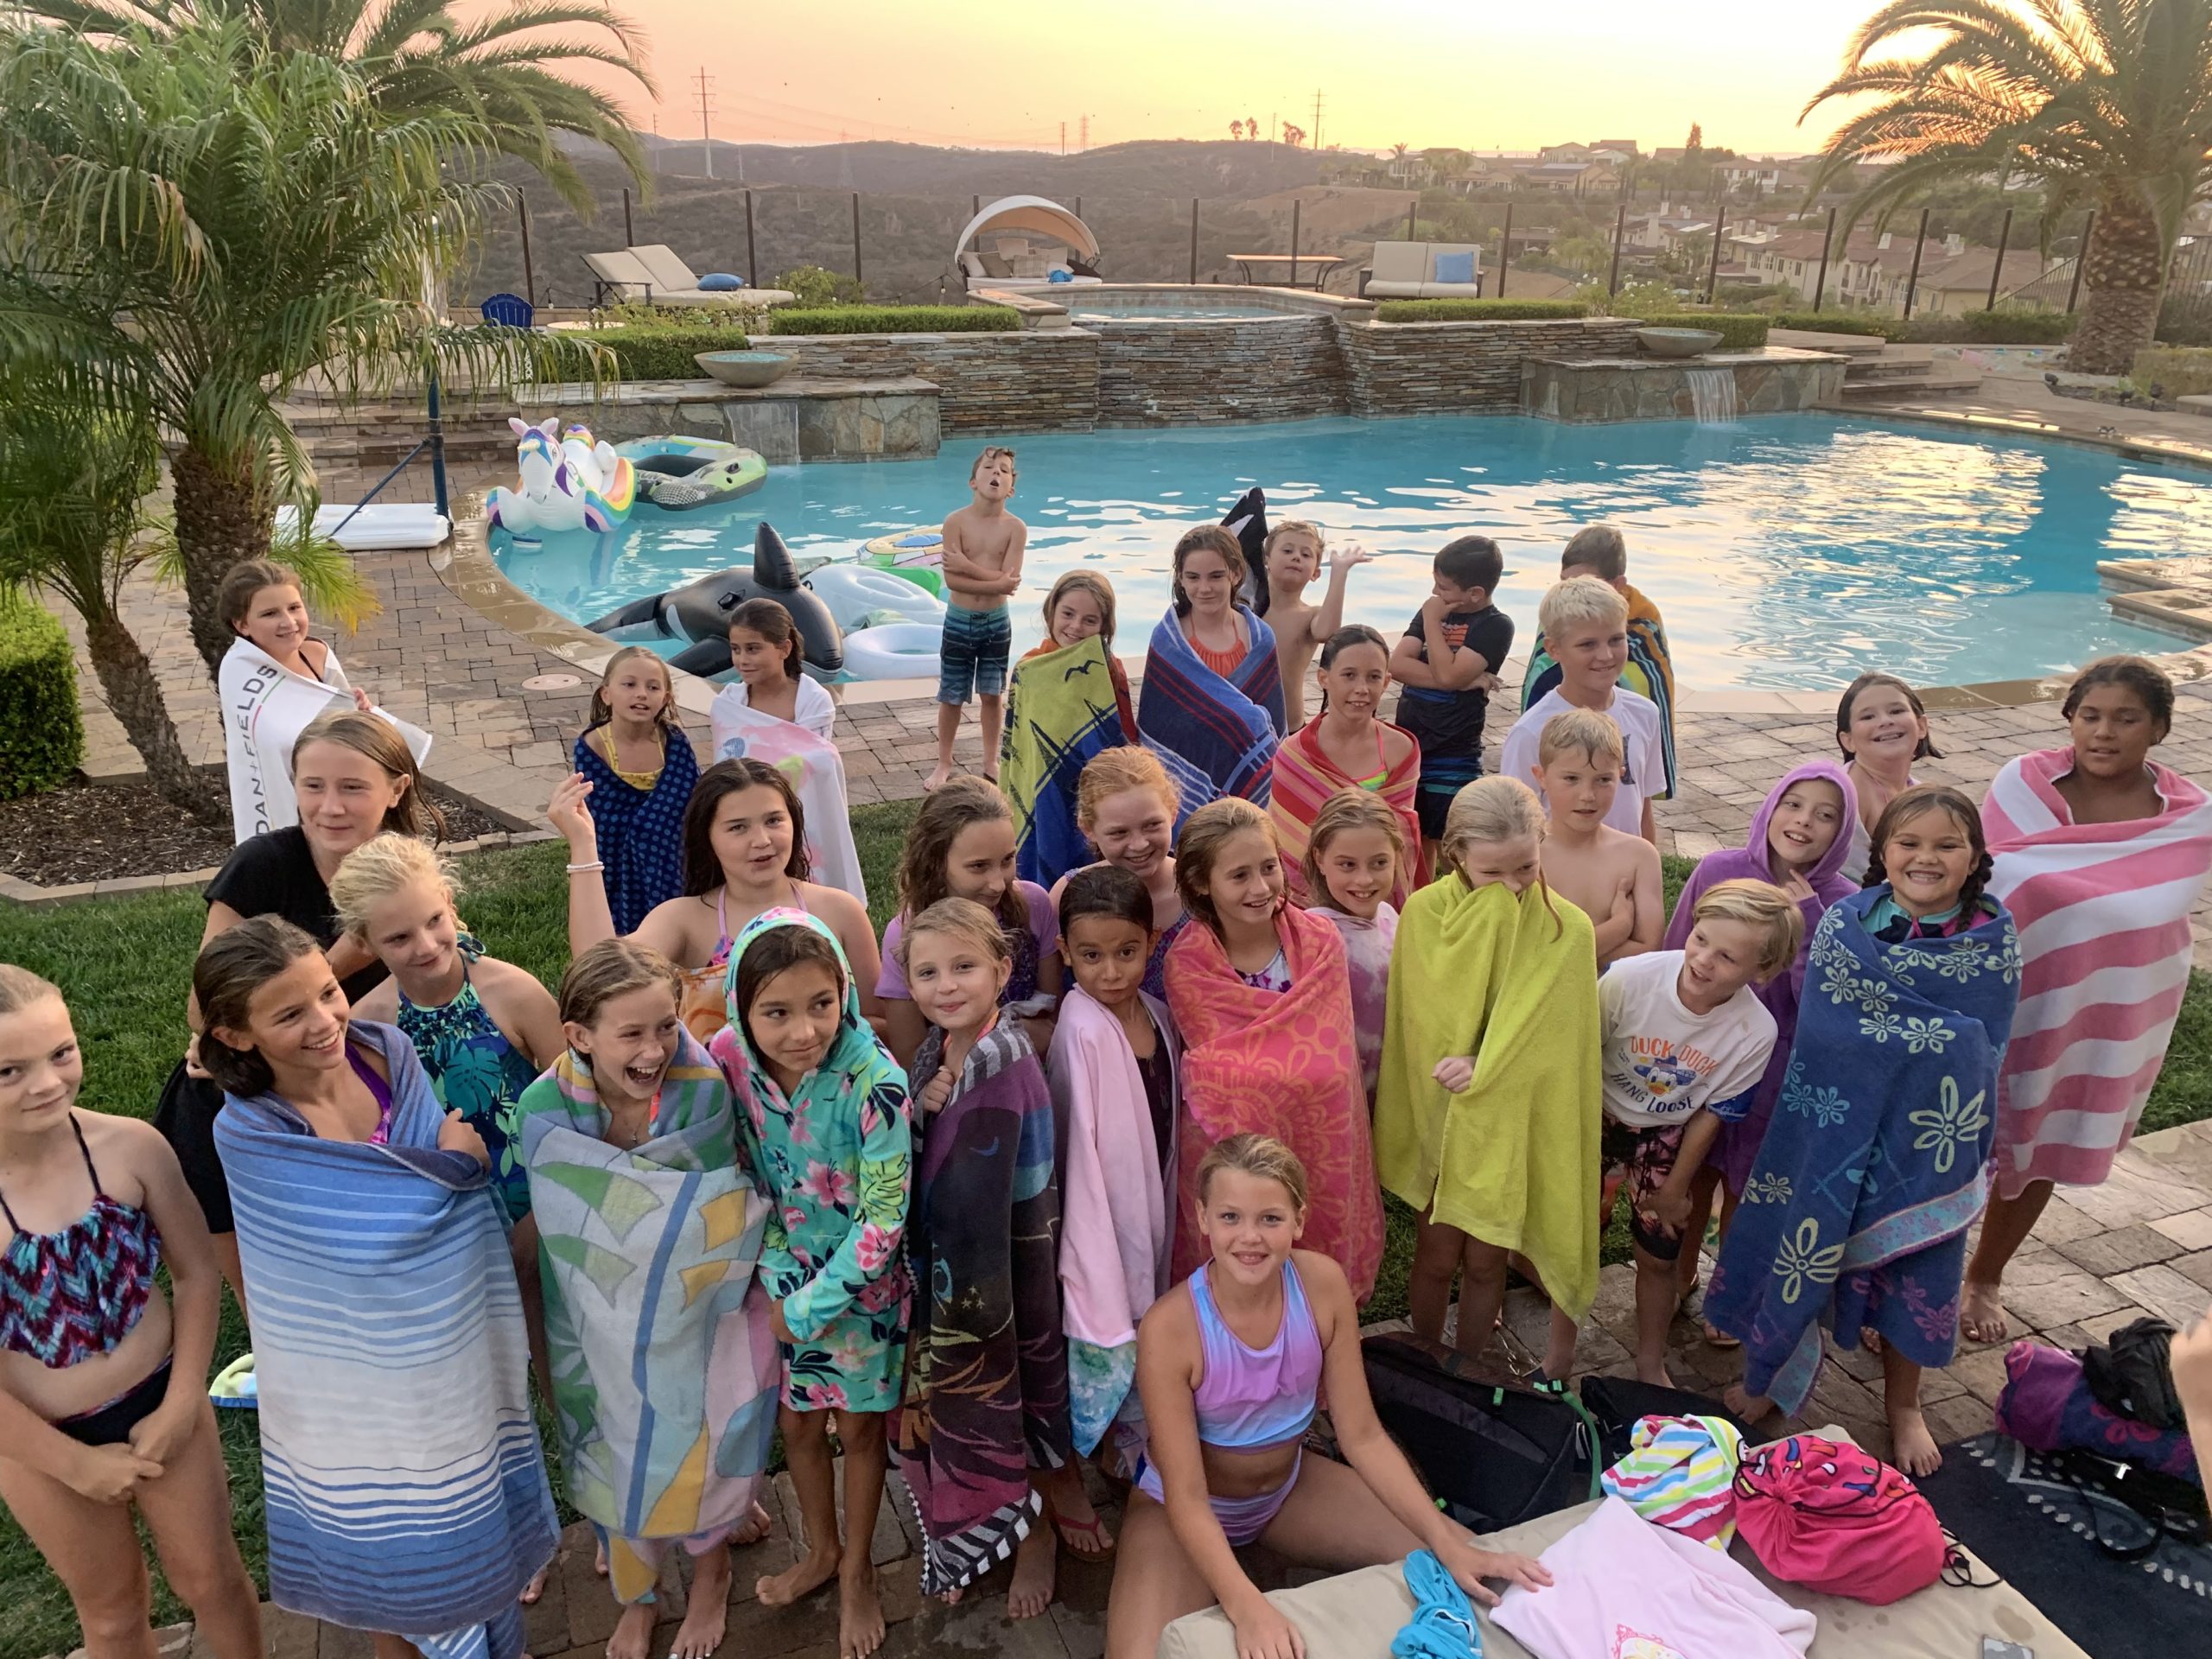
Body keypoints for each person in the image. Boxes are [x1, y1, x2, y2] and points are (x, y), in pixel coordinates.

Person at [200, 918, 558, 1659]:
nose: (324, 1021)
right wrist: (458, 1166)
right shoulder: (250, 1132)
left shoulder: (388, 1053)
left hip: (448, 1354)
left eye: (327, 993)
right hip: (351, 1383)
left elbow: (438, 1213)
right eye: (289, 1014)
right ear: (236, 1036)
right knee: (389, 1557)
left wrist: (447, 1178)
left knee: (469, 1517)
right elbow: (362, 1239)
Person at [1103, 1135, 1551, 1659]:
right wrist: (1247, 1606)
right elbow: (1187, 1497)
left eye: (1270, 1218)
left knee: (1475, 1568)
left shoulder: (1321, 1286)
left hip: (1288, 1490)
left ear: (1298, 1220)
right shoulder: (1170, 1328)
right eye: (1230, 1217)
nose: (1249, 1237)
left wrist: (1447, 1541)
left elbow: (1362, 1436)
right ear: (1203, 1217)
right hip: (1180, 1509)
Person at [1709, 786, 2020, 1477]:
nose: (1926, 858)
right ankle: (1770, 1375)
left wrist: (1913, 1046)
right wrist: (1913, 1042)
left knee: (1920, 1270)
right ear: (1882, 852)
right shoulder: (1846, 926)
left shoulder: (1990, 940)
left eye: (1947, 845)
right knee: (1803, 1240)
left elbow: (1979, 1045)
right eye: (1909, 843)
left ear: (1975, 858)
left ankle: (1905, 1404)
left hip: (1927, 1139)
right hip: (1833, 1124)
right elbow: (1827, 1030)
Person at [512, 941, 779, 1659]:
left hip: (701, 1314)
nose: (656, 1049)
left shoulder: (704, 1091)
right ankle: (639, 1597)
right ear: (579, 1036)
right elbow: (570, 1228)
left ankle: (712, 1576)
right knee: (615, 1450)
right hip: (594, 1321)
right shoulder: (542, 1111)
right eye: (631, 1033)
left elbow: (718, 1213)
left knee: (703, 1437)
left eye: (666, 1025)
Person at [0, 966, 262, 1659]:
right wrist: (71, 1464)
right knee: (112, 1612)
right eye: (9, 1071)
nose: (47, 1083)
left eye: (60, 1053)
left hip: (162, 1400)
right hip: (37, 1440)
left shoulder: (131, 1148)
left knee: (212, 1580)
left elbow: (195, 1275)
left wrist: (182, 1402)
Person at [155, 709, 445, 1312]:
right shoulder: (263, 865)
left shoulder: (403, 872)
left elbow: (442, 973)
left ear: (397, 790)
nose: (330, 807)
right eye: (313, 786)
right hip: (248, 1084)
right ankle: (266, 1329)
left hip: (364, 1078)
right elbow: (204, 1011)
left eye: (352, 787)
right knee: (258, 1279)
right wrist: (339, 962)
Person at [1963, 658, 2212, 1345]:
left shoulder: (2188, 818)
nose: (2104, 732)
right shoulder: (2022, 785)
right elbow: (1989, 880)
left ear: (2158, 729)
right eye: (2090, 716)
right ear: (2069, 720)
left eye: (2126, 719)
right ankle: (1909, 1276)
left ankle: (1984, 1275)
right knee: (1947, 1132)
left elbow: (2157, 906)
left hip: (2109, 1004)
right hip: (2002, 990)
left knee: (2045, 1134)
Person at [712, 910, 912, 1659]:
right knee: (797, 1426)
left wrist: (813, 1303)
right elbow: (739, 1168)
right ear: (742, 1008)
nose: (804, 1031)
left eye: (821, 1004)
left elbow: (884, 1215)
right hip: (779, 1284)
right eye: (777, 1012)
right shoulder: (729, 1060)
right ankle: (821, 1552)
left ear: (845, 991)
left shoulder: (875, 1082)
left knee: (858, 1430)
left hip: (862, 1291)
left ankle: (859, 1569)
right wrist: (778, 1279)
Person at [893, 898, 1083, 1616]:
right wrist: (922, 1108)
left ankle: (1033, 1533)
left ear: (1002, 971)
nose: (946, 986)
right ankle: (976, 1528)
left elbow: (1010, 1179)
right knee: (963, 1403)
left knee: (1009, 1392)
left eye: (964, 967)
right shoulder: (932, 1055)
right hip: (950, 1276)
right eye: (928, 972)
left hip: (1004, 1272)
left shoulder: (1006, 1062)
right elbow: (917, 1157)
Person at [1374, 778, 1599, 1382]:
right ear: (1455, 856)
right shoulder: (1426, 914)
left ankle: (1468, 1369)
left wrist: (1489, 1064)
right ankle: (1426, 1360)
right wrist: (1458, 1062)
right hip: (1442, 1118)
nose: (1512, 887)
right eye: (1492, 872)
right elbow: (1418, 1024)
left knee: (1485, 1262)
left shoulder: (1568, 930)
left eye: (1525, 867)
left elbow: (1560, 1042)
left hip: (1510, 1122)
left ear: (1542, 844)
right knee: (1436, 1254)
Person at [329, 834, 562, 1405]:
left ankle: (560, 1409)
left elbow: (579, 1106)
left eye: (435, 920)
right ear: (364, 943)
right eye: (399, 938)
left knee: (549, 1324)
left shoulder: (511, 993)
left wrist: (542, 1215)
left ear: (450, 905)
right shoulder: (371, 1026)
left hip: (541, 1195)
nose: (427, 944)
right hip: (442, 1208)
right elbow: (370, 1139)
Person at [1663, 761, 1858, 1341]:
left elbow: (1829, 1003)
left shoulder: (1843, 904)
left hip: (1779, 1075)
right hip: (1705, 1056)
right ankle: (1677, 1275)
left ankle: (1731, 1296)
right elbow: (1677, 951)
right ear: (1771, 807)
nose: (1803, 821)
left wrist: (1808, 918)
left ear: (1843, 832)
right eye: (1793, 804)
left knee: (1747, 1189)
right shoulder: (1719, 870)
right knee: (1693, 1173)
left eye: (1825, 815)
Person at [1163, 798, 1382, 1302]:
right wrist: (1287, 1074)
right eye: (1239, 875)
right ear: (1200, 882)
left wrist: (1279, 1075)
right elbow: (1217, 1072)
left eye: (1268, 867)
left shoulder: (1321, 941)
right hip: (1231, 1143)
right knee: (1242, 1286)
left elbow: (1334, 1057)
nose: (1261, 887)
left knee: (1320, 1280)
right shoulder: (1189, 964)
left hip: (1325, 1134)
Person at [1595, 880, 1796, 1387]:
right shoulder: (1628, 980)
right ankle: (1557, 1352)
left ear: (1762, 970)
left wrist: (1676, 1189)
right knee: (1571, 1239)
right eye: (1700, 939)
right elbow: (1578, 1057)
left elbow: (1713, 1114)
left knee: (1659, 1254)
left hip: (1666, 1134)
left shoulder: (1756, 1031)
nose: (1704, 960)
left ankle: (1649, 1362)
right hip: (1594, 1114)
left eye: (1727, 957)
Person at [551, 756, 883, 1046]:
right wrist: (583, 845)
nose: (762, 840)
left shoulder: (840, 911)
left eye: (773, 820)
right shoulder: (686, 920)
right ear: (707, 837)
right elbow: (600, 972)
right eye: (738, 828)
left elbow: (880, 1021)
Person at [1048, 865, 1181, 1473]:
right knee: (1121, 1316)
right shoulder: (1081, 1030)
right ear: (1065, 952)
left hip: (1153, 1197)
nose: (1110, 972)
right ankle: (1121, 1456)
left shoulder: (1156, 1013)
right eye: (1091, 955)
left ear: (1152, 943)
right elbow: (1077, 1153)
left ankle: (1143, 1443)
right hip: (1105, 1215)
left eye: (1127, 952)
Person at [876, 775, 1061, 1066]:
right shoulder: (905, 933)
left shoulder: (1034, 905)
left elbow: (1053, 1020)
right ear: (936, 862)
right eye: (978, 866)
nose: (998, 884)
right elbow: (908, 1053)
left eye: (1007, 860)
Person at [213, 557, 390, 843]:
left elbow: (351, 729)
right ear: (242, 624)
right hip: (293, 812)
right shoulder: (239, 673)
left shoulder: (318, 656)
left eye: (294, 608)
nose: (288, 622)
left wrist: (363, 714)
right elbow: (273, 744)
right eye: (270, 614)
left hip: (342, 804)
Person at [1268, 625, 1425, 907]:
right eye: (1349, 675)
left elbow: (1398, 838)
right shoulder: (1293, 755)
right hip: (1310, 905)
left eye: (1373, 677)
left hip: (1377, 895)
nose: (1361, 689)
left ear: (1386, 682)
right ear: (1324, 678)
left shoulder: (1400, 750)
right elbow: (1287, 843)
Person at [1500, 577, 1664, 844]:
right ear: (1554, 649)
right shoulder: (1531, 732)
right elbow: (1516, 825)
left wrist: (1647, 862)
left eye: (1616, 640)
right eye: (1588, 644)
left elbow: (1643, 808)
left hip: (1626, 867)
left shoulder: (1645, 714)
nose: (1606, 655)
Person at [1519, 524, 1677, 798]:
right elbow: (1541, 666)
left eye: (1586, 581)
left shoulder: (1643, 615)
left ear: (1618, 584)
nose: (1572, 589)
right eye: (1565, 581)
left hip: (1619, 717)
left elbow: (1650, 678)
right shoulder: (1562, 608)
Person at [1001, 573, 1139, 890]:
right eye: (1068, 614)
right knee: (1047, 849)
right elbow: (1018, 740)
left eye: (1090, 620)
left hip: (1093, 781)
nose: (1076, 627)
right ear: (1051, 612)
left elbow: (1120, 734)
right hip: (1042, 786)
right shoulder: (1030, 669)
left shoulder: (1108, 669)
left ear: (1104, 627)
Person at [1389, 534, 1516, 875]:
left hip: (1453, 751)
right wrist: (1463, 680)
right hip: (1412, 745)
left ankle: (1470, 898)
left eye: (1443, 587)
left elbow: (1446, 675)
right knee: (1415, 840)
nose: (1435, 593)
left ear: (1475, 593)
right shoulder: (1434, 609)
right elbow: (1397, 666)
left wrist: (1433, 626)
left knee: (1455, 845)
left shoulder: (1495, 626)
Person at [1136, 525, 1285, 816]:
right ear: (1180, 578)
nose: (1204, 588)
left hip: (1249, 782)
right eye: (1193, 577)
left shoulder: (1260, 639)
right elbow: (1158, 726)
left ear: (1236, 574)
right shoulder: (1168, 643)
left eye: (1216, 576)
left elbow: (1273, 728)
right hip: (1187, 776)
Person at [570, 645, 700, 936]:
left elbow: (691, 803)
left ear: (665, 698)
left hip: (669, 858)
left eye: (653, 687)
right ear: (607, 694)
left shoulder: (675, 743)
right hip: (614, 856)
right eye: (629, 685)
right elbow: (601, 816)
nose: (641, 694)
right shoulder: (593, 747)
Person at [1527, 709, 1662, 968]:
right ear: (1541, 777)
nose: (1588, 795)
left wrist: (1564, 954)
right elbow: (1523, 952)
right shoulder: (1526, 855)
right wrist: (1618, 928)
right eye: (1571, 779)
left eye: (1603, 780)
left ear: (1619, 776)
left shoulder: (1640, 856)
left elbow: (1648, 949)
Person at [1048, 747, 1186, 1000]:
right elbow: (1051, 993)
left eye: (1152, 825)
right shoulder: (1068, 894)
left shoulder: (1199, 889)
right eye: (1119, 833)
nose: (1139, 844)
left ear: (1173, 813)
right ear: (1088, 829)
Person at [1300, 789, 1406, 1110]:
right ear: (1320, 859)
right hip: (1340, 1103)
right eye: (1347, 865)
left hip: (1392, 1096)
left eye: (1379, 863)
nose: (1364, 879)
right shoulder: (1312, 935)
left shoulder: (1391, 918)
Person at [930, 445, 1027, 791]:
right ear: (973, 481)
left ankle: (990, 761)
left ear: (1011, 488)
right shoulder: (955, 522)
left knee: (992, 694)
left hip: (996, 621)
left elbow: (1009, 583)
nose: (996, 472)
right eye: (988, 467)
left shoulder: (1016, 529)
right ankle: (944, 762)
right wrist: (996, 581)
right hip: (959, 619)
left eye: (1004, 469)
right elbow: (952, 581)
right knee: (951, 695)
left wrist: (969, 566)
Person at [1249, 520, 1370, 730]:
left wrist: (1339, 573)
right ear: (1266, 560)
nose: (1296, 557)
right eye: (1288, 550)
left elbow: (1328, 633)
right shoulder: (1245, 608)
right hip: (1241, 721)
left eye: (1306, 555)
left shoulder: (1310, 615)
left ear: (1315, 573)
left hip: (1287, 726)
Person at [1834, 671, 1937, 885]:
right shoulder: (1844, 793)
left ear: (1921, 726)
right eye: (1868, 717)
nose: (1885, 721)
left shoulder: (1921, 795)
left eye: (1896, 711)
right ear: (1848, 740)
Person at [716, 596, 837, 738]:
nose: (742, 660)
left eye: (752, 649)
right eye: (736, 649)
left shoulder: (814, 702)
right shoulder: (730, 701)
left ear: (784, 649)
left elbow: (818, 752)